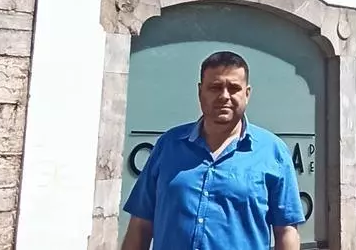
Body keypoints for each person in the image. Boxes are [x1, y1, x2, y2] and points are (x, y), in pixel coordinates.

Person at [121, 51, 305, 250]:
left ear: (247, 94)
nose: (224, 96)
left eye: (234, 88)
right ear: (200, 92)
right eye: (215, 87)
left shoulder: (273, 152)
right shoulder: (168, 145)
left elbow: (286, 231)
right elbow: (140, 224)